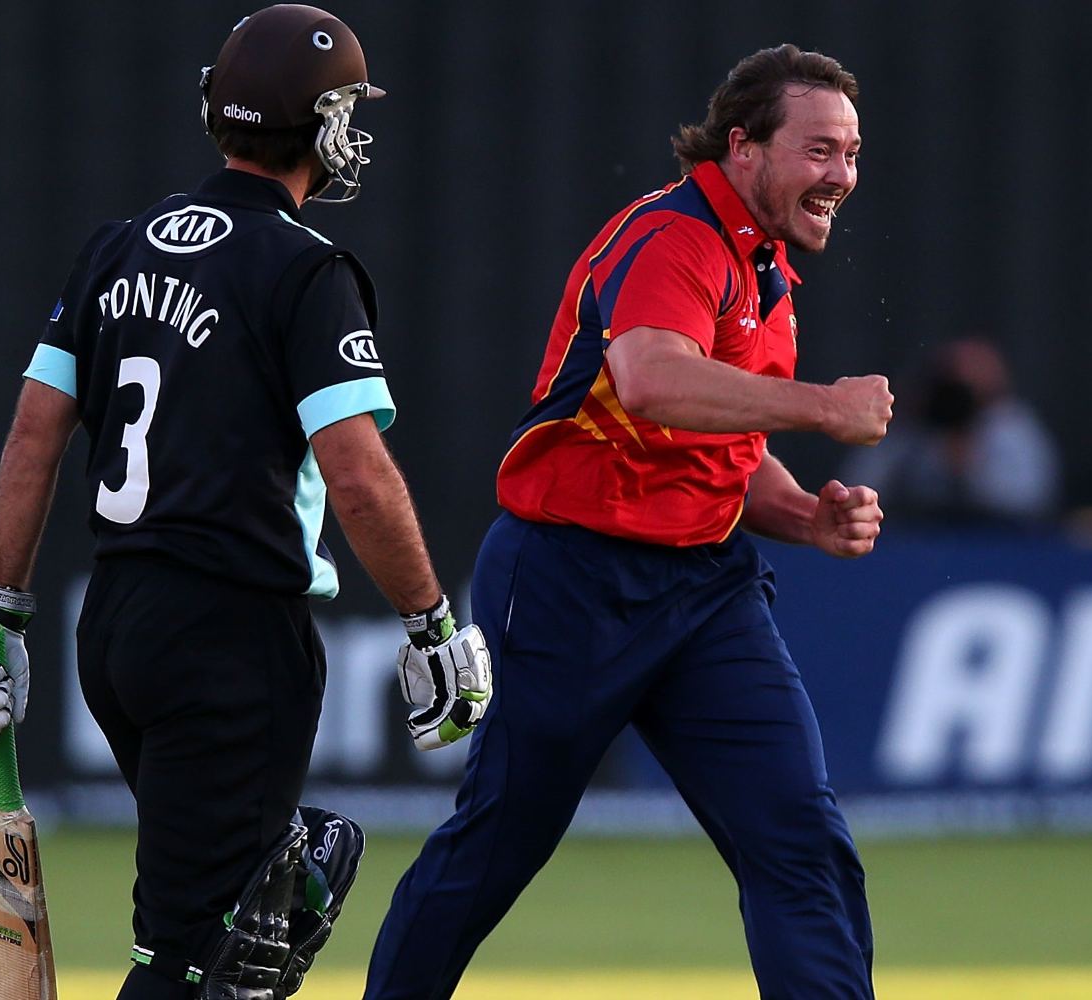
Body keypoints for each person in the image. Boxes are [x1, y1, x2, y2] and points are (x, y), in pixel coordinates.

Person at [0, 7, 492, 999]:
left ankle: (289, 866)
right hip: (233, 640)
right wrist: (430, 624)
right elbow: (358, 475)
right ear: (323, 124)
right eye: (348, 112)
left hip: (116, 629)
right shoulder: (305, 269)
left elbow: (32, 438)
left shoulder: (113, 249)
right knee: (198, 962)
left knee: (262, 903)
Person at [365, 45, 887, 1000]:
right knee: (498, 845)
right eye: (820, 150)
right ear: (743, 146)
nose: (842, 175)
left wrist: (806, 517)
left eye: (851, 153)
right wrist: (824, 407)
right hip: (572, 577)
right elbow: (651, 380)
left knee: (799, 838)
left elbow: (716, 447)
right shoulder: (673, 235)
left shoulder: (762, 262)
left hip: (707, 589)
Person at [842, 337, 1059, 525]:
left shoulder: (1011, 427)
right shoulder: (909, 430)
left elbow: (1032, 499)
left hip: (996, 542)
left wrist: (969, 468)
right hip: (916, 540)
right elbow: (858, 488)